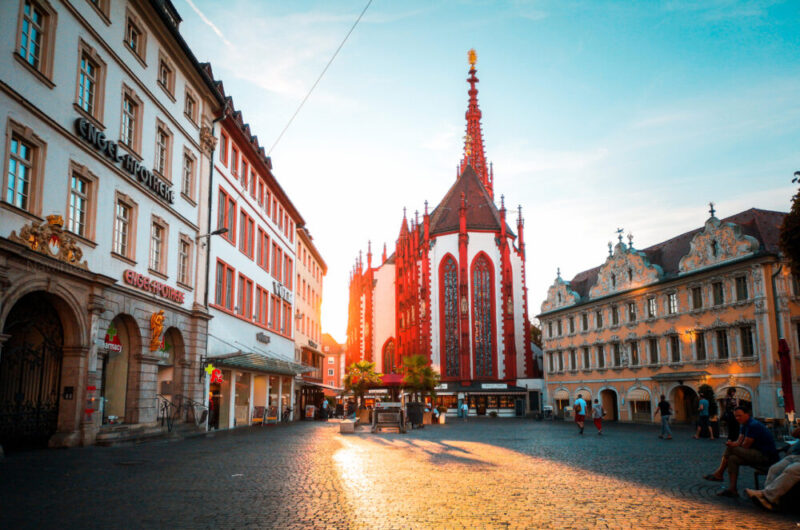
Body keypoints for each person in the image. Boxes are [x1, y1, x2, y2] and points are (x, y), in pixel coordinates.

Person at [703, 406, 779, 497]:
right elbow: (739, 442)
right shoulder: (744, 425)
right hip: (754, 453)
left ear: (747, 415)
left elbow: (745, 446)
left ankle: (719, 473)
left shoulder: (753, 425)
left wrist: (733, 445)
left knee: (731, 449)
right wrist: (732, 443)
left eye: (740, 415)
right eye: (736, 416)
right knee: (732, 458)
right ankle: (732, 489)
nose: (737, 418)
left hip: (765, 456)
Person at [744, 426, 800, 510]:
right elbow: (794, 434)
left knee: (791, 470)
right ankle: (772, 501)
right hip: (795, 455)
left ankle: (766, 497)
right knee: (774, 469)